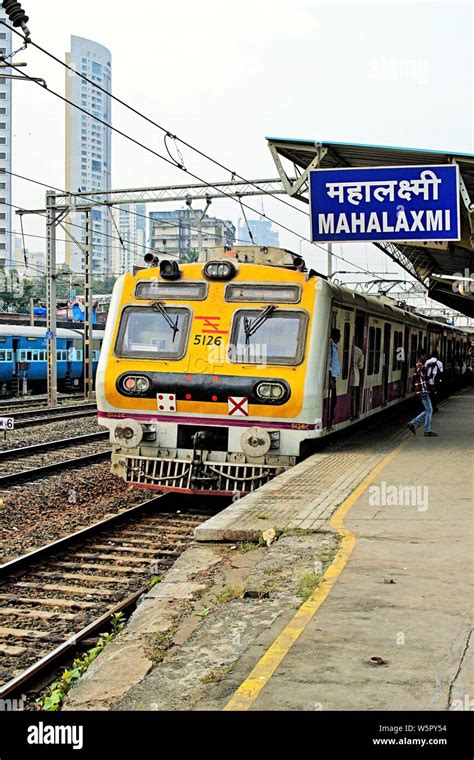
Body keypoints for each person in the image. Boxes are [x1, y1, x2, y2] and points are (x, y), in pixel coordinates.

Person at [407, 352, 438, 437]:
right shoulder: (419, 365)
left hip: (423, 391)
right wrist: (428, 366)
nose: (425, 358)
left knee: (429, 410)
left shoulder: (420, 365)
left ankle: (413, 423)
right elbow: (421, 373)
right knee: (429, 410)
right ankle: (425, 430)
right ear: (421, 356)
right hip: (422, 391)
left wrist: (428, 367)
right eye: (424, 356)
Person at [328, 328, 341, 428]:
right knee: (333, 400)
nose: (341, 337)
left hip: (333, 377)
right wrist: (331, 379)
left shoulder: (334, 347)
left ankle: (330, 420)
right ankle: (329, 421)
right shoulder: (331, 348)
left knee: (334, 400)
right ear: (336, 337)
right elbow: (330, 364)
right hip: (331, 377)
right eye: (339, 335)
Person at [351, 344, 365, 419]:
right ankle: (353, 411)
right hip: (355, 375)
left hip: (345, 375)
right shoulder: (359, 351)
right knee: (354, 394)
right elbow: (360, 366)